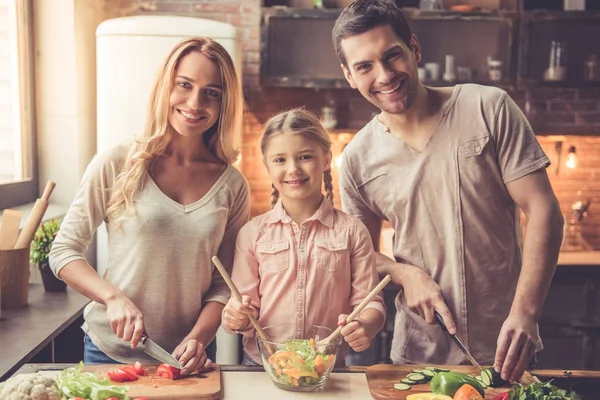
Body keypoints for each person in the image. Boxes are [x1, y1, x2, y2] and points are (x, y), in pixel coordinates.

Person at [332, 0, 564, 381]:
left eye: (393, 56)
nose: (385, 75)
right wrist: (404, 274)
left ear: (415, 48)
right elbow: (361, 257)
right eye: (365, 67)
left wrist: (525, 314)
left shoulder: (489, 108)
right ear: (349, 76)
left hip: (505, 349)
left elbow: (544, 211)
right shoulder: (357, 158)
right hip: (417, 355)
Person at [49, 37, 250, 375]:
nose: (194, 102)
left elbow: (224, 283)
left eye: (211, 92)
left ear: (224, 102)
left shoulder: (233, 185)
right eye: (184, 85)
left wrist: (199, 338)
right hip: (110, 353)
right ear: (165, 87)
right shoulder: (117, 162)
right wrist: (112, 297)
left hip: (189, 360)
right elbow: (64, 250)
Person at [220, 108, 386, 365]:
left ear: (326, 159)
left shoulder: (353, 231)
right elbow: (242, 305)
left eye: (305, 156)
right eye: (280, 160)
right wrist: (235, 316)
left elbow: (371, 304)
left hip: (325, 368)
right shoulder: (252, 233)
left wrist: (366, 325)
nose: (293, 169)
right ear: (267, 165)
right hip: (261, 367)